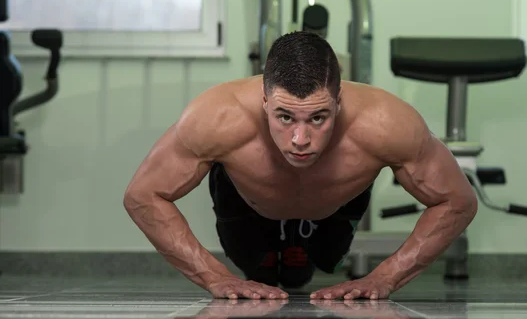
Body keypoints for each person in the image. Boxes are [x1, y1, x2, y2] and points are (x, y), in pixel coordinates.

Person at [123, 31, 478, 300]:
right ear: (264, 100)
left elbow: (458, 201)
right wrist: (212, 276)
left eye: (318, 118)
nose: (300, 139)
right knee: (255, 272)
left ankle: (298, 257)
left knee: (301, 276)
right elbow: (142, 195)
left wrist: (386, 276)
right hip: (247, 204)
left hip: (332, 208)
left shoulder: (386, 122)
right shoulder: (217, 116)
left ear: (338, 102)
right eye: (285, 117)